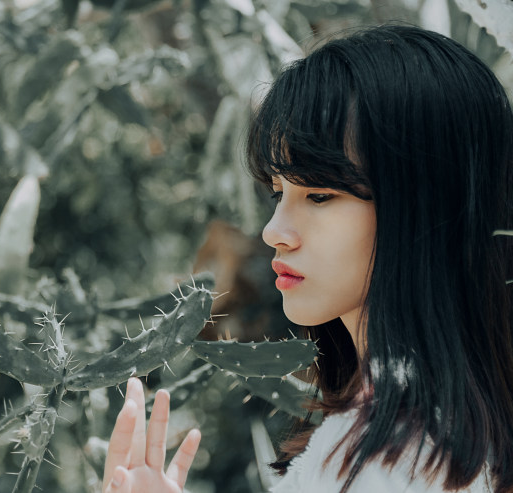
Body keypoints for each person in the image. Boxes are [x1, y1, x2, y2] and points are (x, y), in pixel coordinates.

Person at [101, 24, 513, 493]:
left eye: (318, 194)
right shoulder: (433, 433)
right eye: (279, 192)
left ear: (422, 205)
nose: (274, 232)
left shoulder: (399, 457)